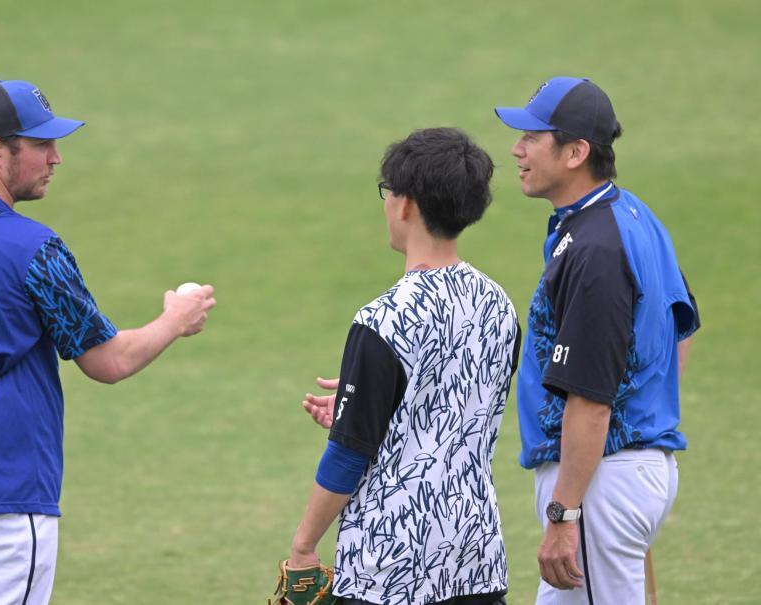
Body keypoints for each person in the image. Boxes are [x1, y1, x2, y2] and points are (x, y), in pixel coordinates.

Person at [0, 79, 216, 604]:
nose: (56, 158)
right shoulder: (34, 247)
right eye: (41, 145)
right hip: (6, 489)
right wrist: (175, 319)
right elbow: (108, 361)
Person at [292, 127, 520, 605]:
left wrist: (304, 546)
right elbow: (454, 405)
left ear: (408, 204)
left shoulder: (382, 320)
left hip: (390, 569)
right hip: (475, 557)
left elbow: (349, 455)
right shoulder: (499, 305)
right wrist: (367, 402)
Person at [493, 77, 699, 603]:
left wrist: (566, 512)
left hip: (598, 484)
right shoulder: (633, 217)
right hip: (617, 474)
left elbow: (589, 395)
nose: (517, 149)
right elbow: (680, 330)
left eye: (532, 137)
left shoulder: (596, 250)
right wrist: (644, 409)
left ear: (575, 152)